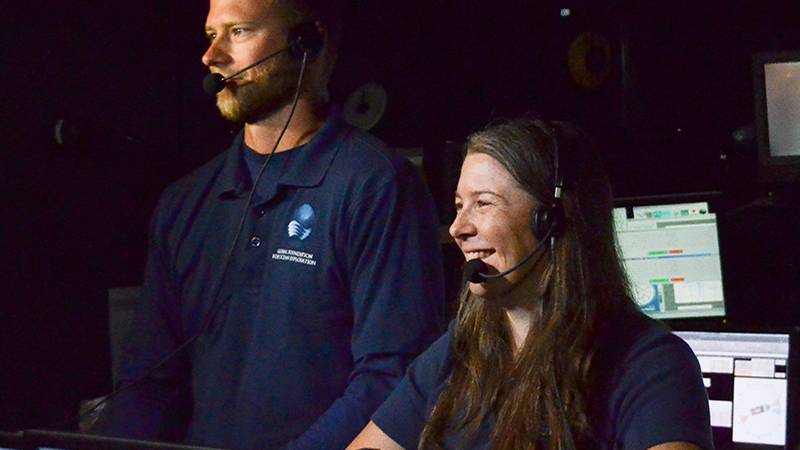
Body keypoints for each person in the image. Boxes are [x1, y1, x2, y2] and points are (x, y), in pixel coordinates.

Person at [90, 0, 445, 449]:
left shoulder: (376, 184)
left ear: (307, 42)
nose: (212, 55)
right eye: (210, 35)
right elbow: (147, 383)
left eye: (238, 32)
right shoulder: (184, 202)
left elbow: (393, 379)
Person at [346, 117, 714, 450]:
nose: (459, 228)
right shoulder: (458, 350)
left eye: (483, 204)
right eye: (459, 205)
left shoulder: (651, 364)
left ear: (551, 220)